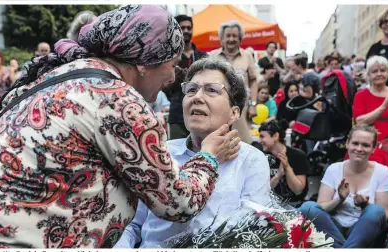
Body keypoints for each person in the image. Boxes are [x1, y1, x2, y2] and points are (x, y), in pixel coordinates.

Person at [0, 5, 240, 248]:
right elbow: (178, 202)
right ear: (145, 62)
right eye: (173, 64)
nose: (174, 76)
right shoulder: (116, 99)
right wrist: (208, 157)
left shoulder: (65, 74)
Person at [114, 58, 271, 248]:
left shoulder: (251, 160)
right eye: (191, 89)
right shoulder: (159, 152)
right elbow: (130, 223)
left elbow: (255, 230)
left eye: (212, 90)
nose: (197, 97)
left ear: (234, 113)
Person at [300, 125, 388, 248]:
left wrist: (364, 205)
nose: (359, 149)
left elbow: (383, 215)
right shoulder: (334, 169)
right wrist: (340, 199)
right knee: (308, 207)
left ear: (374, 148)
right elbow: (322, 207)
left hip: (363, 229)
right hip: (333, 228)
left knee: (374, 210)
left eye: (365, 145)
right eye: (355, 143)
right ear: (347, 144)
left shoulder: (383, 172)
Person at [352, 55, 388, 215]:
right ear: (368, 75)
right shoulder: (361, 95)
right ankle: (376, 205)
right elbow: (360, 121)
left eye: (382, 70)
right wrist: (384, 105)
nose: (379, 74)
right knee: (375, 159)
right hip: (371, 141)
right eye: (374, 71)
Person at [209, 20, 258, 144]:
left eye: (235, 36)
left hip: (242, 108)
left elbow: (253, 82)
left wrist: (253, 104)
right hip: (217, 108)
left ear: (240, 38)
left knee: (244, 142)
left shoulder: (247, 56)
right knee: (219, 142)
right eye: (228, 36)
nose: (231, 39)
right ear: (222, 39)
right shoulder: (212, 56)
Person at [162, 15, 207, 140]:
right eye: (182, 28)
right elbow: (163, 86)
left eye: (189, 28)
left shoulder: (203, 56)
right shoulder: (168, 57)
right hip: (177, 114)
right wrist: (176, 80)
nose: (186, 31)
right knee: (177, 154)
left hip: (201, 112)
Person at [256, 120, 310, 205]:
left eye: (262, 137)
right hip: (269, 204)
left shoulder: (297, 156)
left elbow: (298, 190)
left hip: (294, 204)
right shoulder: (261, 156)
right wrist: (279, 175)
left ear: (275, 136)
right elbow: (262, 190)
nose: (259, 141)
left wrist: (287, 167)